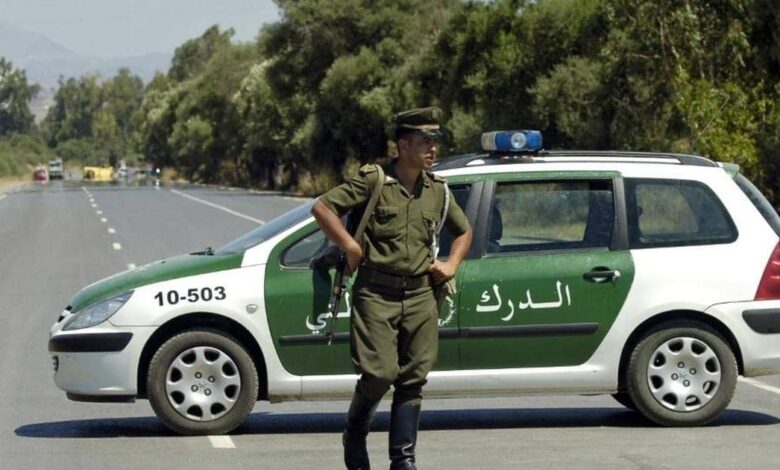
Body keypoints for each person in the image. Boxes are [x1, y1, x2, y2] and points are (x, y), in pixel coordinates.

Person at [311, 107, 473, 469]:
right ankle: (355, 431)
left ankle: (403, 460)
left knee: (413, 379)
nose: (432, 149)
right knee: (379, 374)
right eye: (424, 142)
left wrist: (451, 265)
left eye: (434, 142)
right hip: (376, 294)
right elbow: (323, 208)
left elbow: (464, 231)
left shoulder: (438, 190)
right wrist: (350, 247)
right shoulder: (375, 181)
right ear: (402, 146)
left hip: (420, 295)